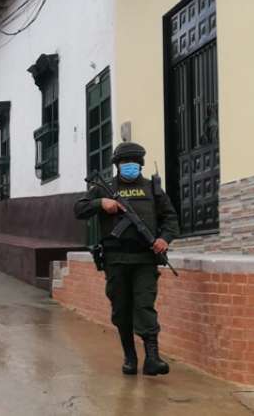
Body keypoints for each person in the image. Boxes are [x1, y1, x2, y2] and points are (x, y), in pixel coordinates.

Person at [74, 142, 178, 377]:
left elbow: (170, 218)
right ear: (117, 165)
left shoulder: (153, 189)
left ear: (140, 164)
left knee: (144, 306)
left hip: (145, 259)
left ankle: (153, 358)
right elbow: (78, 209)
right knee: (121, 310)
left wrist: (165, 239)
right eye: (124, 163)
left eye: (133, 162)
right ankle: (130, 357)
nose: (129, 166)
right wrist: (100, 203)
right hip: (116, 259)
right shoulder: (105, 188)